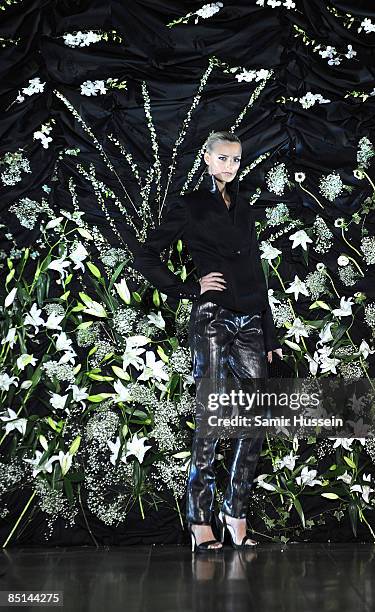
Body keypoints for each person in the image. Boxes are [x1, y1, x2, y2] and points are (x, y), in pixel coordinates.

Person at [126, 130, 282, 552]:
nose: (230, 167)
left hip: (250, 317)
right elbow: (145, 254)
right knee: (212, 414)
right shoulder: (190, 205)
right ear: (208, 159)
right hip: (213, 317)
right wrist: (187, 288)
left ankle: (235, 512)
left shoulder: (245, 203)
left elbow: (255, 267)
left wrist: (269, 331)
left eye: (236, 160)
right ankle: (200, 520)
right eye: (223, 159)